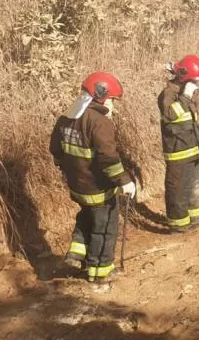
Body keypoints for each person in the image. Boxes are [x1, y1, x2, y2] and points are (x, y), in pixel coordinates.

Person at [50, 71, 136, 283]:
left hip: (77, 186)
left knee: (86, 217)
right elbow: (108, 159)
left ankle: (76, 255)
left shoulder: (67, 118)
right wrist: (124, 181)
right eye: (112, 100)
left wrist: (70, 170)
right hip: (98, 188)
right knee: (105, 227)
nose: (113, 106)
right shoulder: (99, 122)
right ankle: (99, 270)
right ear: (101, 96)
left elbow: (56, 150)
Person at [158, 54, 199, 232]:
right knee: (178, 189)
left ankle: (197, 218)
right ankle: (179, 225)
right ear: (185, 79)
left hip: (192, 148)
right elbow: (170, 115)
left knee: (194, 185)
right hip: (177, 151)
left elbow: (192, 117)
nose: (197, 85)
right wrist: (185, 96)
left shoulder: (186, 94)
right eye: (194, 81)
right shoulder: (168, 94)